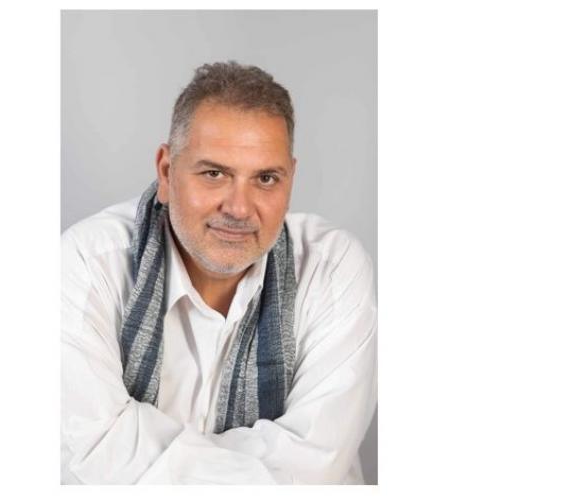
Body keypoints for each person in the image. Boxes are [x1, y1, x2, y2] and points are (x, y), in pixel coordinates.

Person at [61, 61, 377, 484]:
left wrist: (138, 458)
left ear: (291, 178)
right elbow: (96, 451)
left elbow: (314, 468)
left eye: (266, 178)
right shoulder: (87, 264)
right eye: (214, 174)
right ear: (167, 172)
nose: (239, 208)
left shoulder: (331, 269)